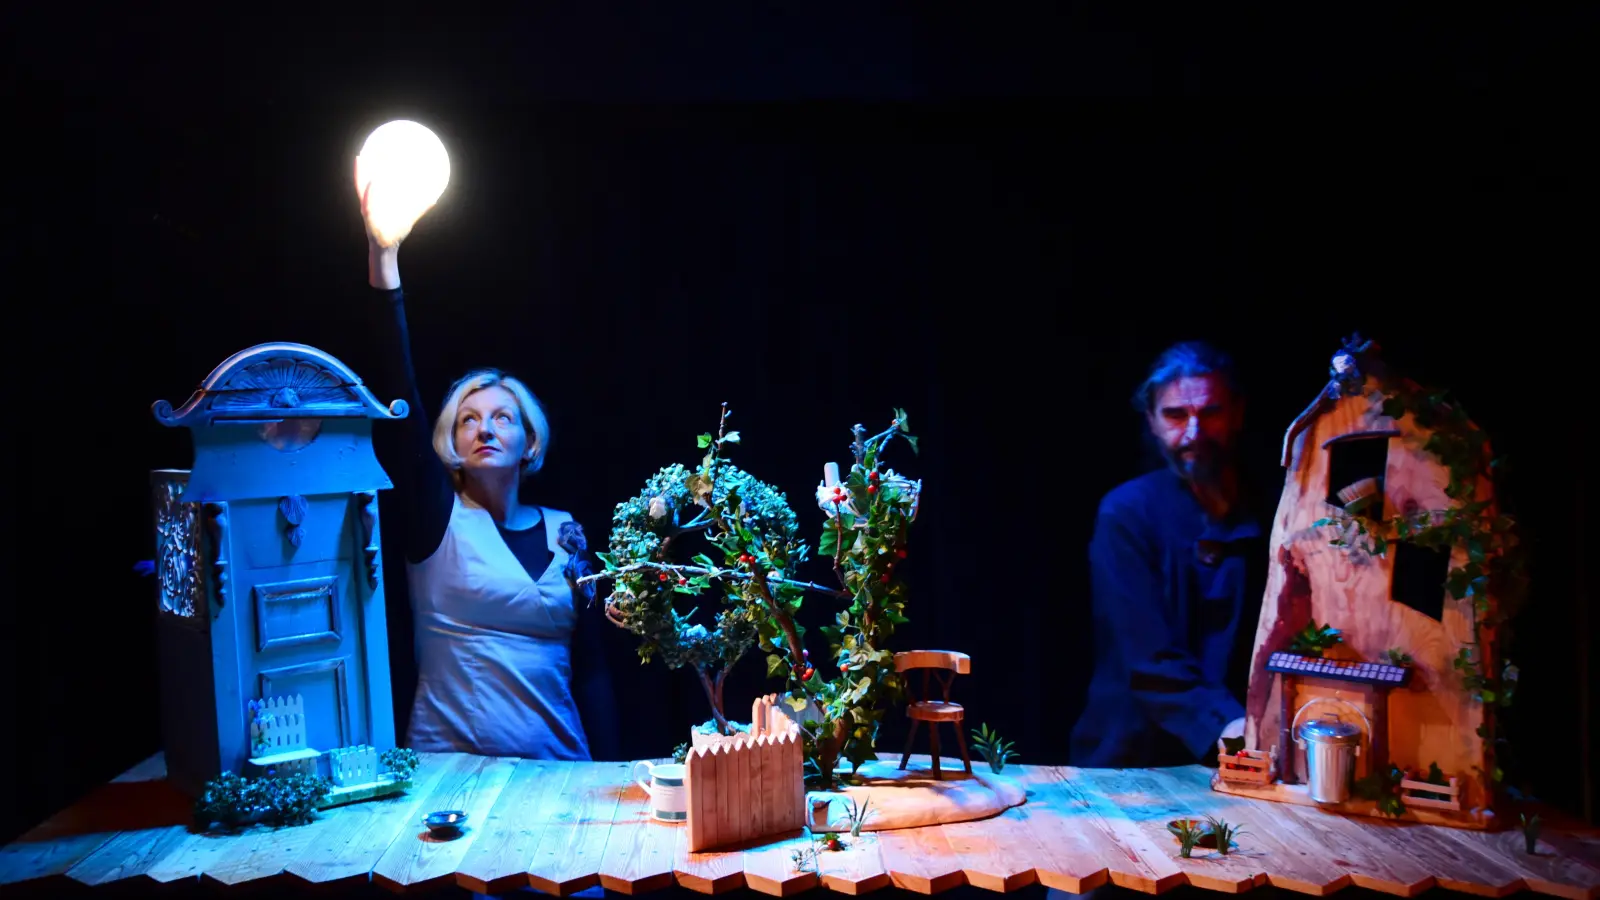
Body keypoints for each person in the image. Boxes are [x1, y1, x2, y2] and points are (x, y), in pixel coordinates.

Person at [356, 153, 618, 762]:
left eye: (502, 417)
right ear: (449, 441)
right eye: (468, 420)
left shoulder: (569, 534)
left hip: (561, 776)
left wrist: (613, 776)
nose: (485, 428)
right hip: (452, 783)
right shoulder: (435, 519)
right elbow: (398, 390)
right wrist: (383, 260)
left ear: (530, 442)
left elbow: (594, 672)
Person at [1070, 341, 1268, 769]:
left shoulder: (1272, 509)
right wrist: (1227, 724)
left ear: (1236, 414)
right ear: (1153, 422)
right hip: (1135, 758)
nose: (1193, 433)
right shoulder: (1127, 513)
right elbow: (1149, 657)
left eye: (1210, 413)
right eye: (1176, 415)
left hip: (1244, 752)